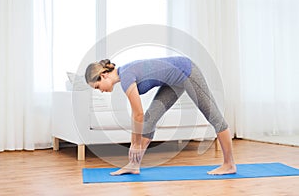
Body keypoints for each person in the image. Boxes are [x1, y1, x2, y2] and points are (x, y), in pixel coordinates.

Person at [85, 56, 236, 175]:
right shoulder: (125, 75)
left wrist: (135, 144)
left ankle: (229, 164)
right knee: (149, 120)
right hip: (173, 82)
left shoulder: (126, 76)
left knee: (213, 116)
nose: (101, 91)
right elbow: (137, 116)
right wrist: (134, 143)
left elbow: (138, 114)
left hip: (186, 71)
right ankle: (133, 165)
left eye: (97, 87)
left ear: (103, 75)